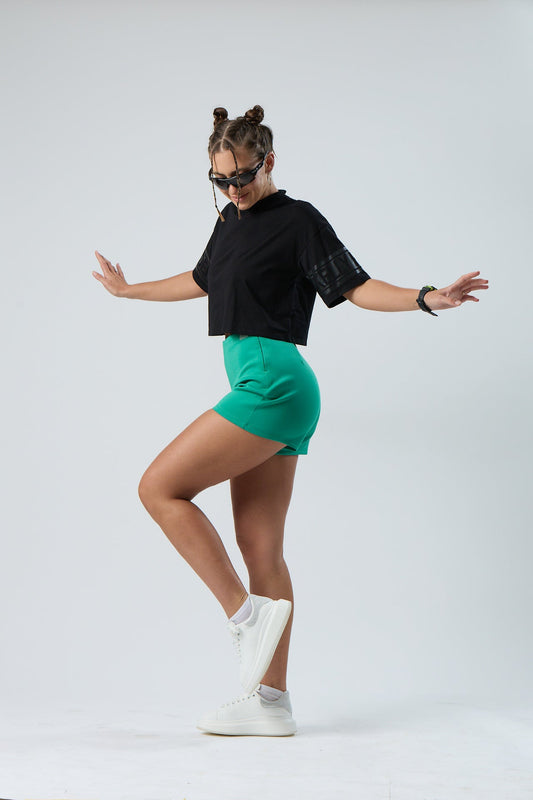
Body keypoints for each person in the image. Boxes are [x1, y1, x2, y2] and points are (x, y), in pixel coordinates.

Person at [92, 104, 489, 737]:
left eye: (242, 176)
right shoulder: (228, 221)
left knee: (158, 488)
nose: (233, 190)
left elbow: (355, 286)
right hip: (273, 389)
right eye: (220, 180)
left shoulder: (299, 220)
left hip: (272, 384)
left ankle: (243, 616)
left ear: (269, 161)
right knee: (261, 546)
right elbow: (202, 279)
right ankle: (271, 702)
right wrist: (129, 289)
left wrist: (425, 297)